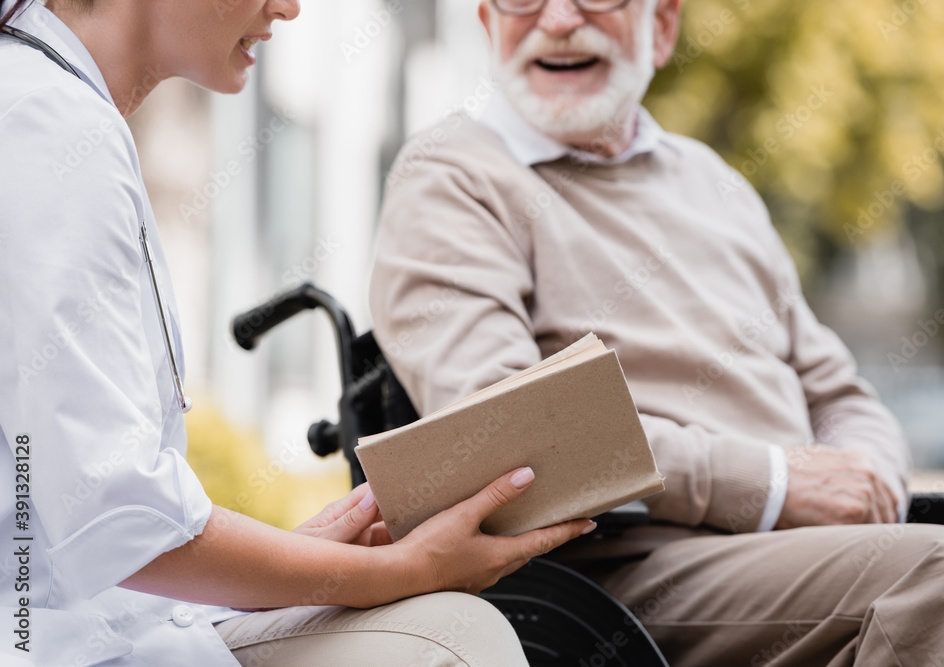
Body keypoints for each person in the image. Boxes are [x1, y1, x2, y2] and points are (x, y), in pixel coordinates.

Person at [369, 0, 944, 664]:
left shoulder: (709, 180)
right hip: (624, 571)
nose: (556, 20)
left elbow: (838, 391)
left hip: (800, 558)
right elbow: (500, 428)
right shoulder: (451, 177)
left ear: (662, 28)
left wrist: (869, 478)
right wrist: (776, 484)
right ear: (487, 23)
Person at [0, 0, 596, 665]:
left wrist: (300, 556)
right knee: (452, 638)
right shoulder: (45, 125)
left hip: (97, 633)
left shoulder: (49, 109)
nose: (289, 7)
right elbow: (114, 522)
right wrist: (407, 570)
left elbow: (96, 531)